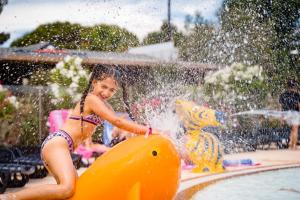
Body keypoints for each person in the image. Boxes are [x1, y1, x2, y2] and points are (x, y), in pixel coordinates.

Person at [0, 65, 161, 200]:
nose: (106, 92)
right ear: (95, 83)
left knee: (75, 194)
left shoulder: (106, 107)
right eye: (103, 86)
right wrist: (148, 130)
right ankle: (9, 198)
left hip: (63, 147)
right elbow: (117, 121)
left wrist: (142, 130)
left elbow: (120, 123)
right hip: (58, 143)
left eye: (112, 90)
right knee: (67, 189)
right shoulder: (91, 99)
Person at [279, 79, 300, 150]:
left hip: (286, 114)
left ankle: (291, 144)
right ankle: (294, 145)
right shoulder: (297, 94)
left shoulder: (283, 94)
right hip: (295, 113)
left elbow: (281, 107)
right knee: (295, 129)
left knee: (292, 129)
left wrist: (281, 118)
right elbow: (299, 105)